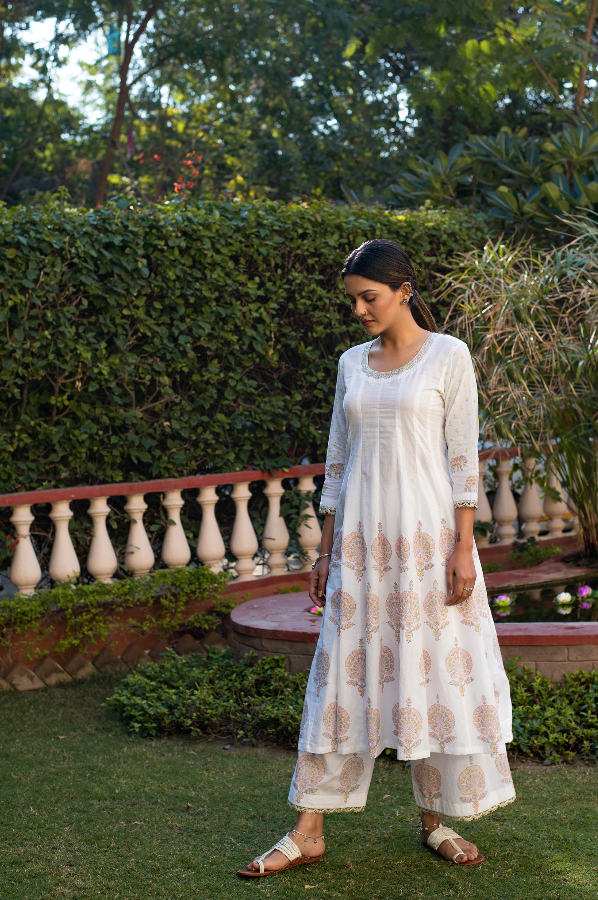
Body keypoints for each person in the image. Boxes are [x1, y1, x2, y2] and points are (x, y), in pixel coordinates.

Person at [238, 238, 515, 877]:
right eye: (353, 301)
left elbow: (462, 460)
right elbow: (338, 459)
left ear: (404, 292)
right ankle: (308, 829)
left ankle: (435, 822)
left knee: (431, 671)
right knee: (342, 673)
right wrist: (326, 549)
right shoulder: (351, 364)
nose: (360, 310)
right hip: (361, 547)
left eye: (370, 297)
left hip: (428, 545)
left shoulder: (448, 355)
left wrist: (463, 547)